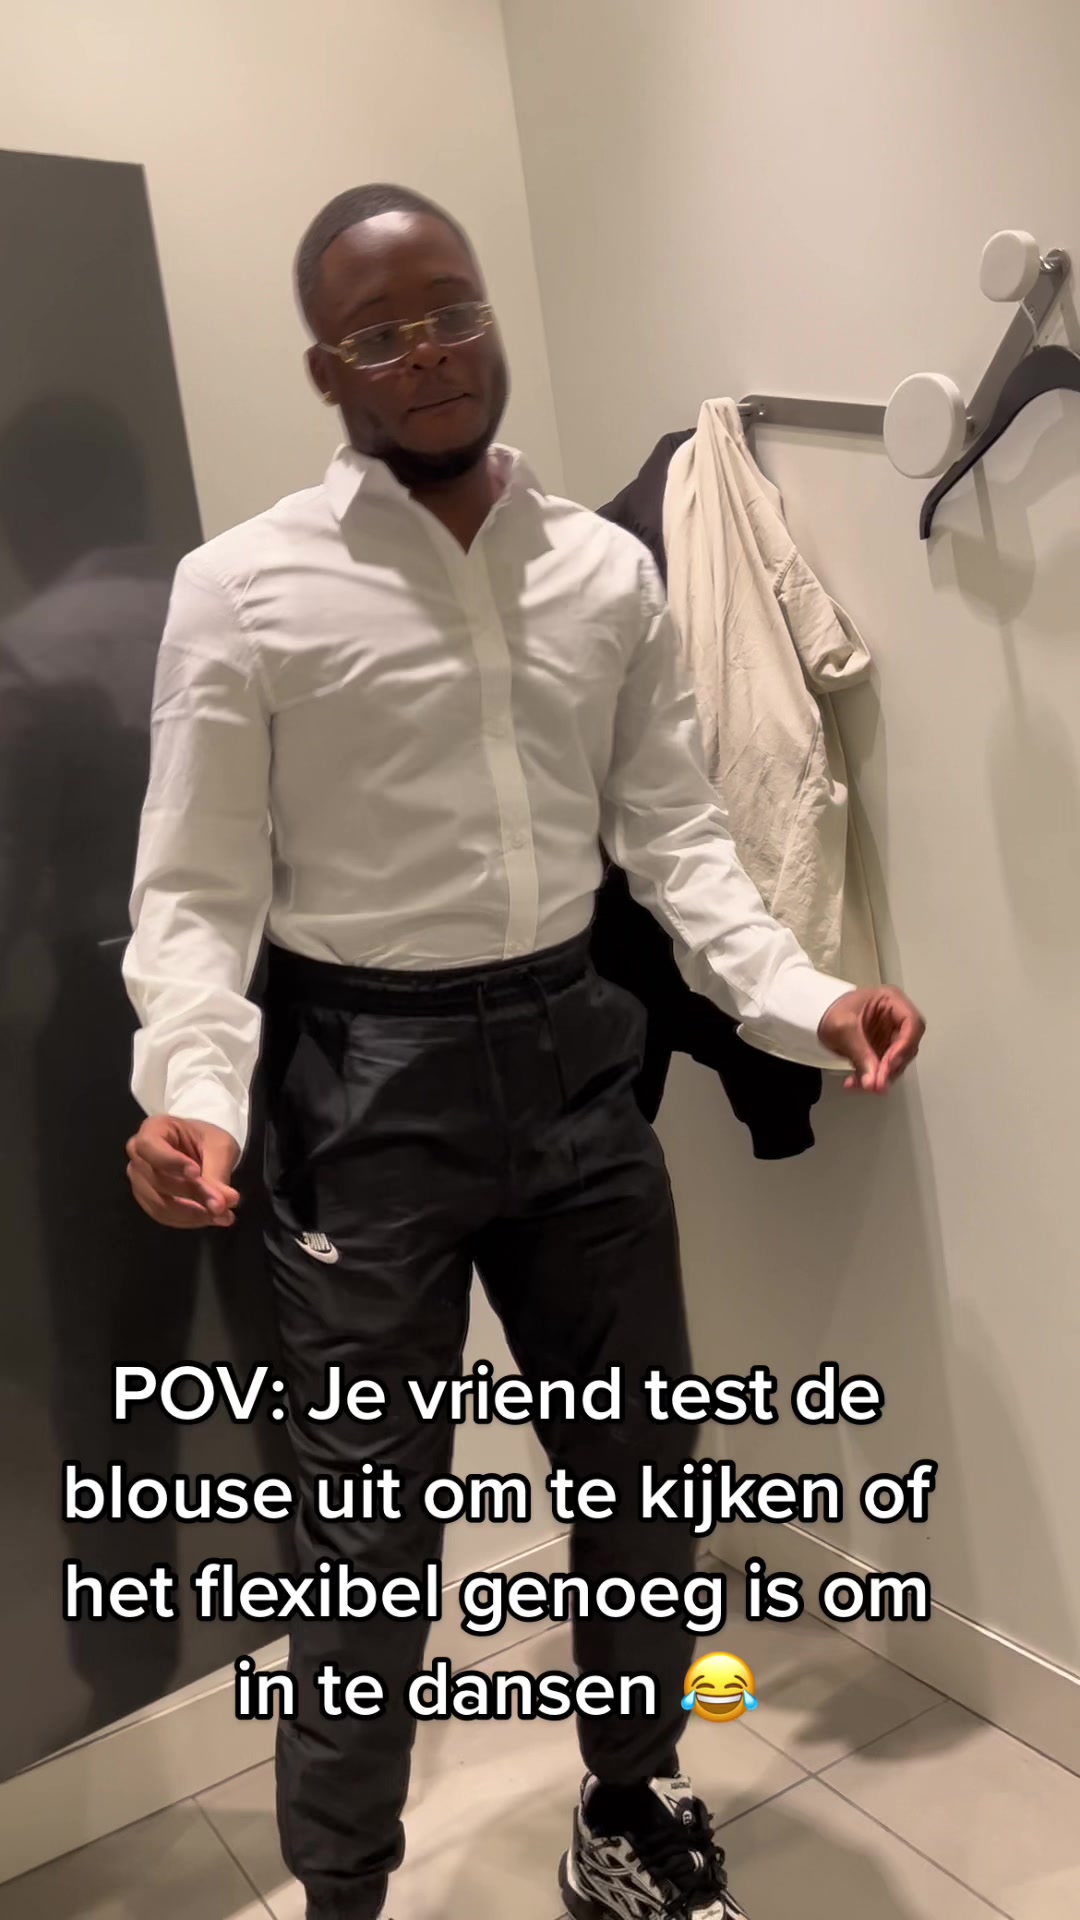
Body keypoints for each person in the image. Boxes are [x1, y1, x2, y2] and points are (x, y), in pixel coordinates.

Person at [123, 184, 925, 1920]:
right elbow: (194, 890)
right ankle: (343, 1893)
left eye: (453, 312)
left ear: (489, 320)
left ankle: (626, 1805)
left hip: (575, 1061)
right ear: (326, 368)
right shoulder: (242, 589)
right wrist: (191, 1094)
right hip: (359, 1090)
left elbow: (677, 835)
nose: (428, 353)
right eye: (381, 332)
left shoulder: (604, 572)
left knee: (642, 1478)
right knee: (365, 1543)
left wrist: (808, 999)